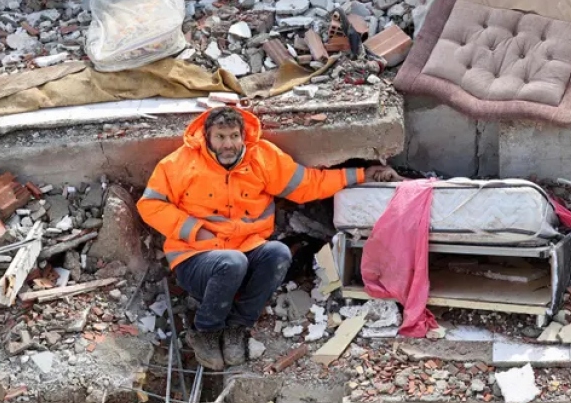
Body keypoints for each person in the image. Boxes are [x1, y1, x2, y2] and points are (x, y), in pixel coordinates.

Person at [137, 107, 398, 369]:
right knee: (232, 262)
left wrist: (362, 174)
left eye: (234, 136)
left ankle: (237, 327)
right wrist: (195, 230)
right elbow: (149, 205)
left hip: (245, 253)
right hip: (196, 258)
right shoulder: (179, 163)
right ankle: (206, 331)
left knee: (278, 254)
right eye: (220, 137)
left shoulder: (262, 157)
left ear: (243, 136)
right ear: (207, 138)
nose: (228, 144)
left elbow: (309, 184)